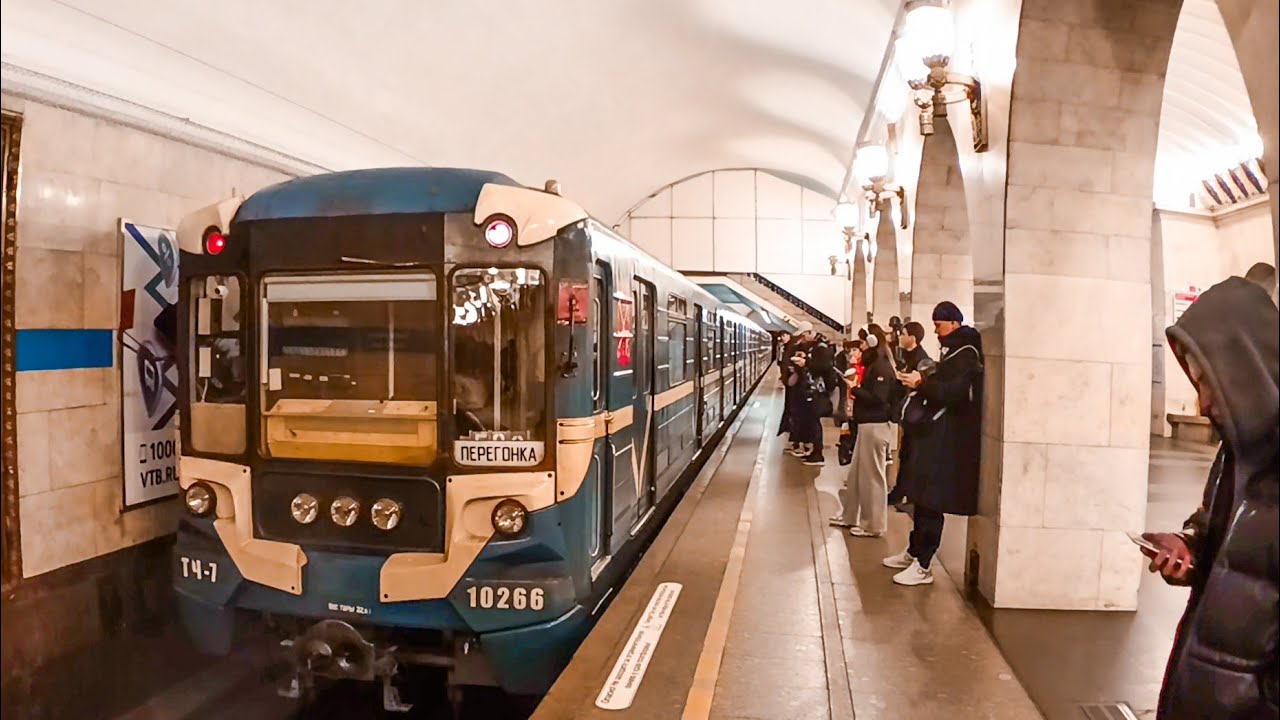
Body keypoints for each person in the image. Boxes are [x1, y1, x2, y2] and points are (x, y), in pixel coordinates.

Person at [1138, 277, 1277, 720]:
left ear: (1244, 370)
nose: (1201, 405)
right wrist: (1190, 545)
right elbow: (1218, 530)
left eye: (1208, 384)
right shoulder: (1235, 451)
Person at [883, 301, 983, 586]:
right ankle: (914, 551)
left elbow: (952, 393)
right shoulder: (953, 351)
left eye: (938, 325)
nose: (936, 331)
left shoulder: (965, 354)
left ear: (953, 323)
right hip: (934, 435)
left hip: (946, 440)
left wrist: (920, 384)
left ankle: (924, 563)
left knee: (931, 499)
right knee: (920, 495)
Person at [830, 326, 896, 536]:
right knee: (857, 475)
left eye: (863, 343)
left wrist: (855, 388)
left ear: (873, 344)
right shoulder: (874, 366)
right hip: (866, 425)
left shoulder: (881, 368)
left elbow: (879, 398)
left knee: (872, 478)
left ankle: (873, 525)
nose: (860, 347)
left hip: (875, 426)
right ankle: (849, 515)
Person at [886, 321, 932, 509]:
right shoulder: (904, 356)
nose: (899, 336)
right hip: (906, 414)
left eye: (903, 334)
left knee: (911, 455)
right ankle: (900, 491)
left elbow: (921, 386)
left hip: (916, 415)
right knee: (905, 454)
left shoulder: (922, 359)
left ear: (912, 338)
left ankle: (907, 494)